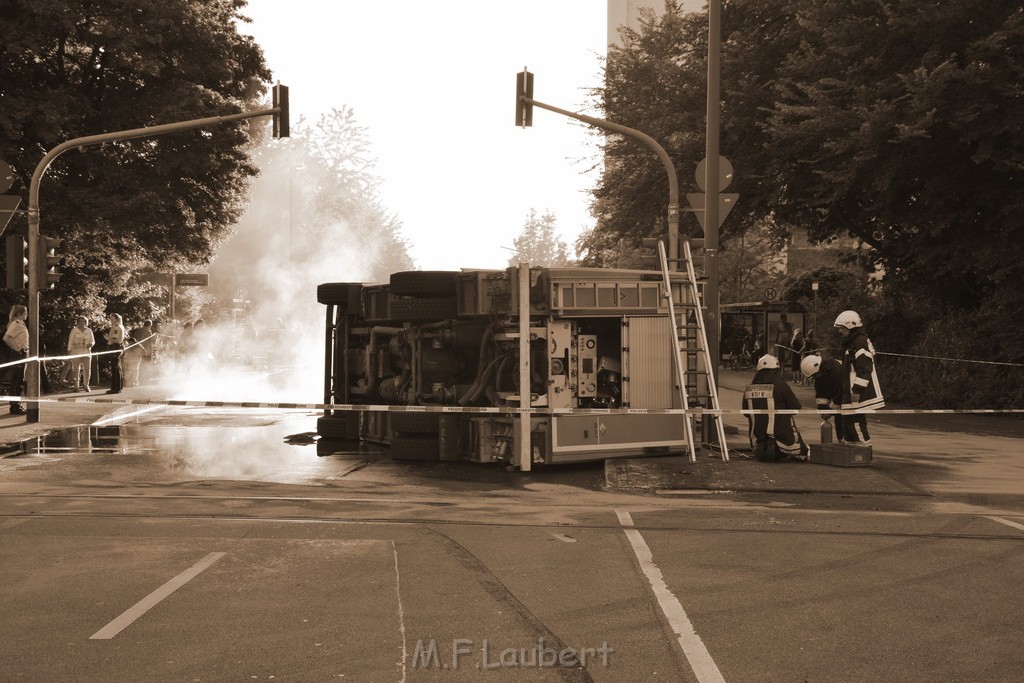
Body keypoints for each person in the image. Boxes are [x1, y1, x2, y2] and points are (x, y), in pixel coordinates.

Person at [741, 354, 807, 462]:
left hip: (757, 436)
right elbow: (796, 406)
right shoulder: (781, 386)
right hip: (782, 436)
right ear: (776, 370)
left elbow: (746, 412)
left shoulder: (749, 389)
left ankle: (762, 446)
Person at [833, 310, 884, 446]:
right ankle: (852, 452)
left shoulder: (859, 342)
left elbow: (865, 369)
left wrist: (857, 390)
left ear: (850, 326)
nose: (840, 332)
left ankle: (865, 451)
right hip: (849, 389)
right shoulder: (852, 342)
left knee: (856, 422)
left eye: (842, 328)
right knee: (847, 421)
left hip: (855, 390)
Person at [800, 353, 846, 443]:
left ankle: (847, 443)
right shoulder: (820, 374)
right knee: (839, 421)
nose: (814, 379)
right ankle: (841, 442)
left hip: (849, 399)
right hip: (840, 401)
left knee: (848, 424)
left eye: (814, 376)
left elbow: (840, 390)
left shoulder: (836, 370)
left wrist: (832, 409)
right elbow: (821, 394)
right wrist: (823, 408)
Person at [2, 305, 29, 414]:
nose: (27, 314)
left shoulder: (21, 324)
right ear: (19, 314)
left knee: (19, 380)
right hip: (18, 354)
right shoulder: (16, 324)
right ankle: (14, 406)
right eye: (25, 312)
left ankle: (16, 404)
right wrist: (16, 349)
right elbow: (6, 338)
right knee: (17, 380)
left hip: (22, 353)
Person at [66, 316, 95, 391]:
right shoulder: (74, 330)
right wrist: (69, 351)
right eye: (80, 321)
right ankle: (76, 386)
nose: (81, 323)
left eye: (83, 321)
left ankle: (86, 385)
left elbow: (93, 341)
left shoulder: (89, 331)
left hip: (86, 352)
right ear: (78, 322)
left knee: (87, 369)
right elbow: (70, 341)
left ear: (86, 322)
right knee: (75, 369)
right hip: (76, 351)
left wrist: (91, 344)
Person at [104, 313, 126, 394]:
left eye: (112, 319)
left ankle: (115, 388)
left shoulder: (117, 327)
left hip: (115, 347)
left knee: (115, 368)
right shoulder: (120, 326)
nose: (111, 321)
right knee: (117, 368)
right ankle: (118, 387)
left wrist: (108, 338)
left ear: (117, 319)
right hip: (117, 347)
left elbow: (116, 340)